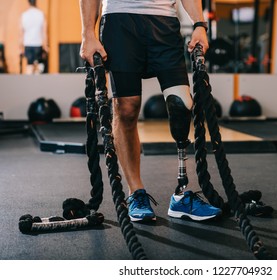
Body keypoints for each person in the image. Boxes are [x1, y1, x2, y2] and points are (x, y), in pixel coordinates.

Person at [79, 0, 222, 222]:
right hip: (120, 20)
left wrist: (200, 24)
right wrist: (88, 33)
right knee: (126, 109)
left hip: (164, 20)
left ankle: (182, 193)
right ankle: (136, 193)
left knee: (181, 105)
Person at [19, 0, 48, 74]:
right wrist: (46, 45)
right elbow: (44, 32)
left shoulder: (24, 15)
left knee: (29, 66)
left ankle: (28, 84)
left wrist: (20, 47)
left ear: (28, 2)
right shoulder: (41, 14)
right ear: (36, 2)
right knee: (39, 68)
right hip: (38, 44)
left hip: (28, 44)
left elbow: (21, 33)